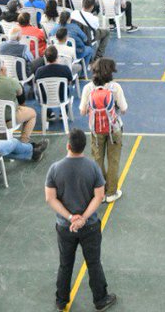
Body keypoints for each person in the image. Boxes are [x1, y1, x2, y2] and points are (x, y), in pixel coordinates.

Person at [46, 129, 116, 311]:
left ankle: (61, 300)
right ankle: (100, 299)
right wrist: (83, 218)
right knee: (93, 263)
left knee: (65, 263)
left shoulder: (55, 168)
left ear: (68, 145)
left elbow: (50, 198)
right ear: (83, 147)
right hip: (90, 226)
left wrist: (70, 217)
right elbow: (99, 196)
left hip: (65, 227)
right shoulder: (93, 167)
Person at [79, 59, 127, 202]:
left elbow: (82, 111)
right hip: (114, 129)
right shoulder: (115, 87)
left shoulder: (88, 88)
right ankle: (111, 193)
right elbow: (124, 108)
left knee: (98, 160)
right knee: (113, 160)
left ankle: (101, 190)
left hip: (96, 129)